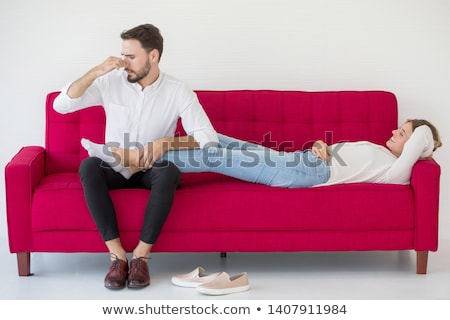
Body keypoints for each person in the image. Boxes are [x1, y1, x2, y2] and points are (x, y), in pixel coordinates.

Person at [53, 24, 219, 289]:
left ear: (153, 56)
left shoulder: (177, 90)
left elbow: (208, 138)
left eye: (131, 56)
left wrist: (167, 142)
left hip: (150, 170)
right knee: (88, 166)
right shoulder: (109, 81)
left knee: (169, 171)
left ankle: (141, 256)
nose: (123, 62)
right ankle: (117, 256)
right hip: (114, 168)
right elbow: (61, 105)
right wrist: (96, 72)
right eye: (122, 54)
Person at [81, 118, 441, 189]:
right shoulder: (378, 150)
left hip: (306, 175)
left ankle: (132, 159)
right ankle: (142, 154)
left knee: (216, 157)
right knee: (219, 139)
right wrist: (322, 146)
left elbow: (423, 135)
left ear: (416, 147)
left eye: (404, 133)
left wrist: (428, 137)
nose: (396, 132)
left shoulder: (399, 170)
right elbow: (335, 152)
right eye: (400, 127)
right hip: (303, 160)